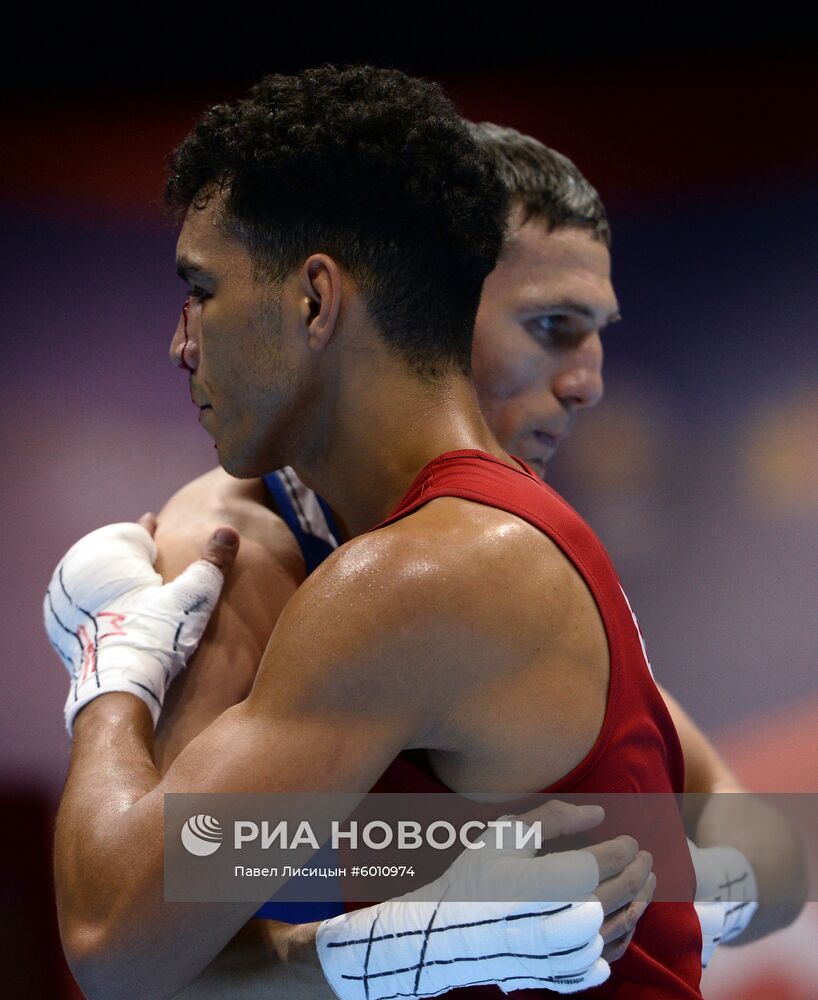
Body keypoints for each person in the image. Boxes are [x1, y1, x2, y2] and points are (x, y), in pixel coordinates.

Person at [44, 70, 800, 1000]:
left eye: (201, 291)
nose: (587, 383)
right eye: (550, 327)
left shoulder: (451, 564)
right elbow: (153, 958)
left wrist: (111, 658)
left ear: (321, 301)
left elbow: (114, 945)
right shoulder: (259, 536)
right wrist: (423, 936)